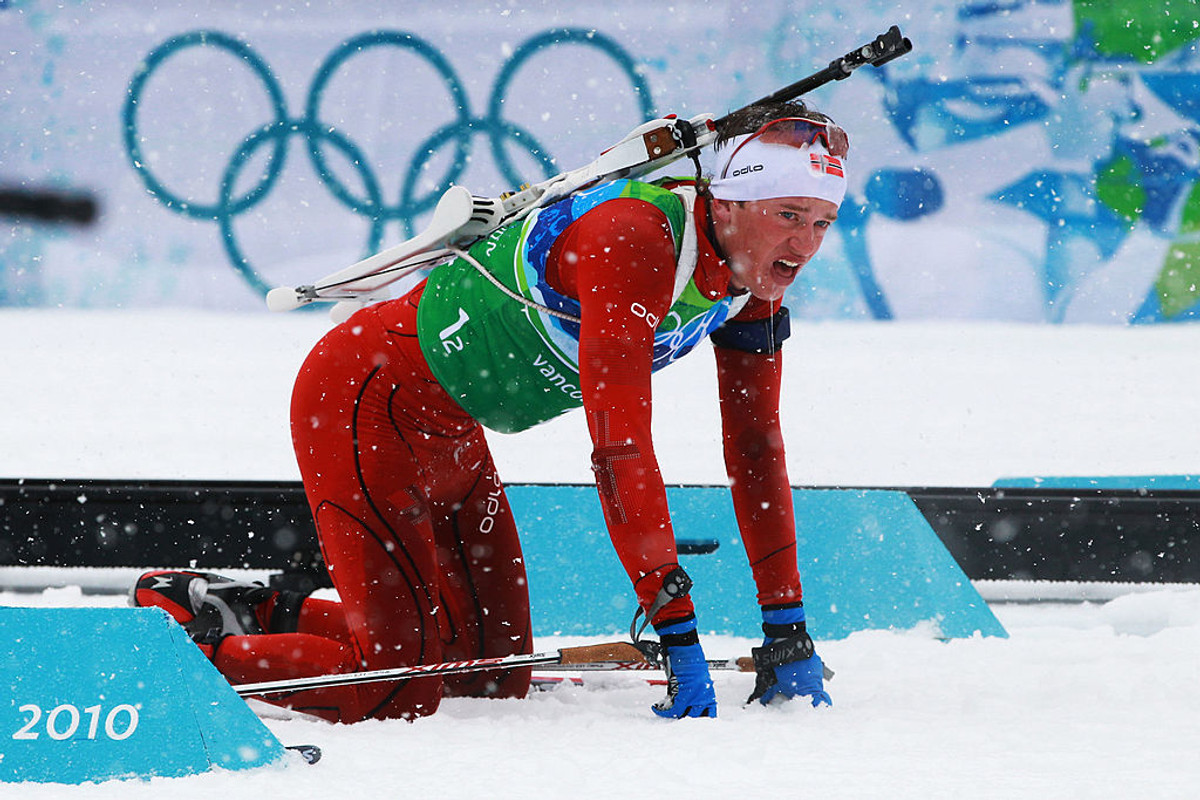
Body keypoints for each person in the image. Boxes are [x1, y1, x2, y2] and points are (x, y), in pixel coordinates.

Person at [133, 99, 846, 722]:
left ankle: (257, 609)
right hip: (363, 401)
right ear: (726, 204)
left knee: (490, 678)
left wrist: (788, 624)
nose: (805, 245)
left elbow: (756, 447)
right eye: (789, 216)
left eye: (822, 222)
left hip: (454, 435)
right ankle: (190, 645)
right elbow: (620, 449)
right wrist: (676, 630)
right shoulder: (634, 240)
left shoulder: (755, 278)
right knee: (396, 691)